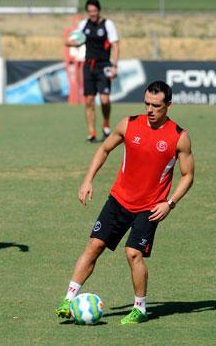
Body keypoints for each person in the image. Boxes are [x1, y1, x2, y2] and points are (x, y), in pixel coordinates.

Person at [54, 81, 195, 324]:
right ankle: (68, 299)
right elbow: (104, 150)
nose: (150, 110)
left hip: (151, 207)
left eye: (156, 106)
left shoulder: (178, 137)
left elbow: (188, 175)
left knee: (132, 253)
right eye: (147, 104)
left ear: (168, 105)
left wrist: (169, 203)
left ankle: (140, 309)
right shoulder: (129, 124)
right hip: (119, 200)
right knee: (94, 245)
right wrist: (88, 180)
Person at [67, 0, 120, 142]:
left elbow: (115, 45)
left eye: (95, 11)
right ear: (87, 12)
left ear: (99, 11)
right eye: (90, 11)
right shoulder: (83, 24)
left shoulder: (108, 24)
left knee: (104, 100)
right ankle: (92, 132)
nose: (92, 14)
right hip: (88, 66)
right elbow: (74, 41)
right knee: (89, 100)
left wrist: (114, 65)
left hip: (104, 65)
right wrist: (70, 42)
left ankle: (106, 125)